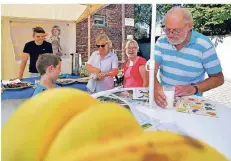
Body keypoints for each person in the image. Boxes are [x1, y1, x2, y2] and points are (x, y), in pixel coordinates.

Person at [154, 7, 224, 108]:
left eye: (176, 30)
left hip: (191, 103)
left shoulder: (204, 44)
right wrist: (156, 87)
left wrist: (193, 89)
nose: (171, 35)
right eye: (167, 30)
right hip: (165, 100)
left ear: (189, 26)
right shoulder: (161, 41)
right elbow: (151, 70)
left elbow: (218, 78)